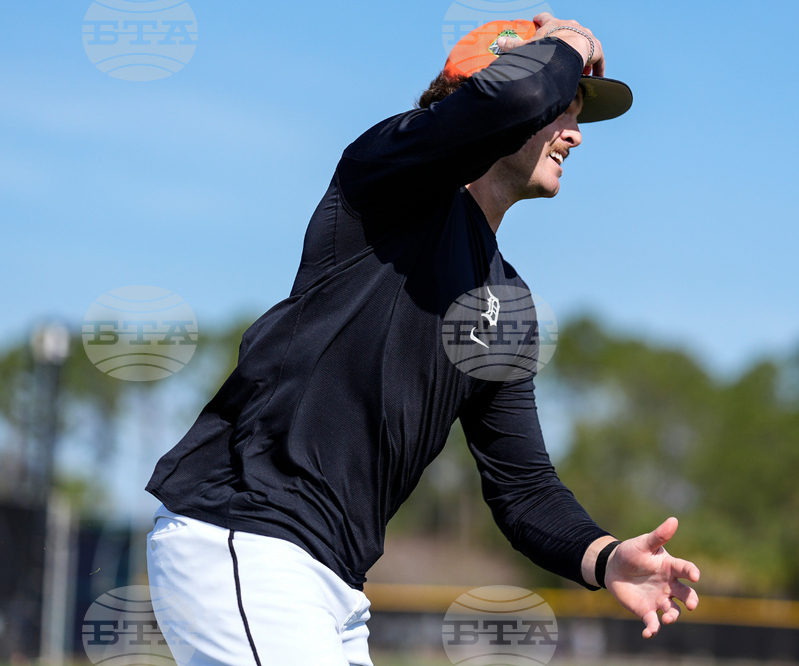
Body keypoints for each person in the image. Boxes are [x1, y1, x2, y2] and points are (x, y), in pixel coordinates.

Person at [145, 13, 700, 665]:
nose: (575, 134)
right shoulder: (389, 178)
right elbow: (513, 98)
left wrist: (606, 559)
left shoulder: (506, 304)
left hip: (334, 585)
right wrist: (573, 43)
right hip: (245, 534)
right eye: (564, 106)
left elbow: (524, 490)